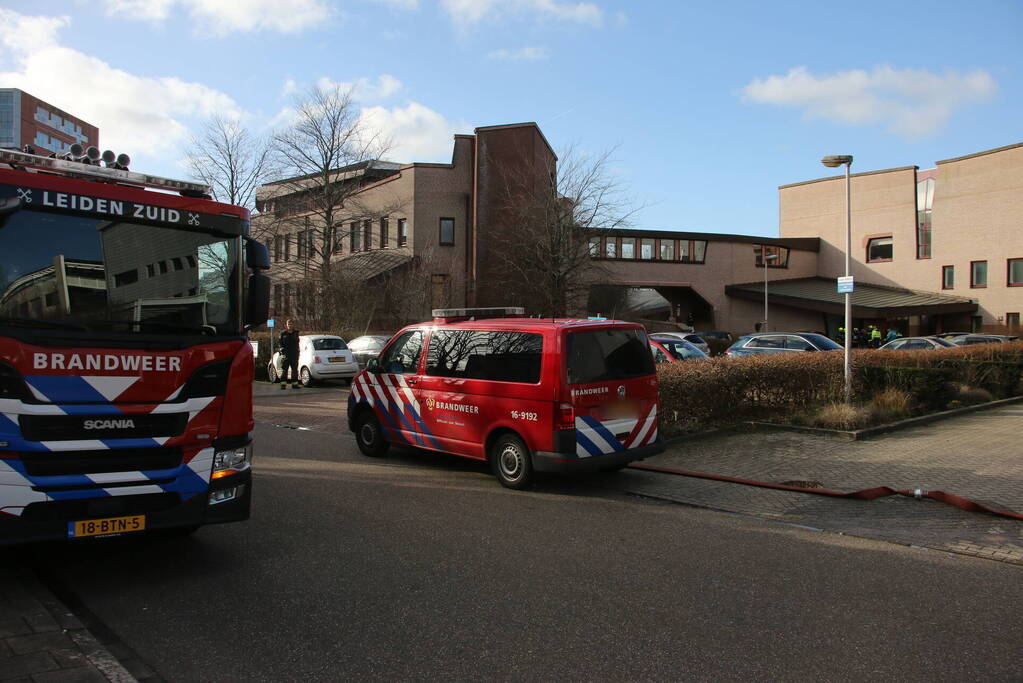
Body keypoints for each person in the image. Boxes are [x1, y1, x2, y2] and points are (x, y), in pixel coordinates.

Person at [278, 319, 301, 389]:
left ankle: (295, 385)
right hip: (286, 355)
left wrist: (298, 352)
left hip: (294, 355)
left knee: (294, 370)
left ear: (293, 324)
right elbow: (279, 343)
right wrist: (281, 351)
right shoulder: (283, 333)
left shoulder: (296, 333)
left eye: (291, 324)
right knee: (285, 370)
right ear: (286, 325)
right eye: (288, 324)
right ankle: (283, 385)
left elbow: (297, 343)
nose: (290, 325)